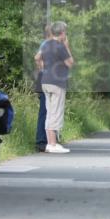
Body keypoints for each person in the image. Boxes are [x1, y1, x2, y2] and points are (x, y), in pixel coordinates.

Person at [35, 21, 74, 153]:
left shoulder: (46, 44)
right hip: (57, 82)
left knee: (49, 112)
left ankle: (49, 143)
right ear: (62, 33)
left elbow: (37, 57)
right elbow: (70, 63)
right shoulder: (60, 46)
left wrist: (43, 68)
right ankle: (52, 143)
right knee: (56, 112)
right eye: (65, 32)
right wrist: (67, 46)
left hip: (45, 81)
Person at [34, 24, 52, 152]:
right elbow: (37, 58)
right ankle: (42, 141)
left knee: (47, 110)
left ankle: (46, 140)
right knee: (46, 111)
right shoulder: (47, 43)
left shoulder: (46, 43)